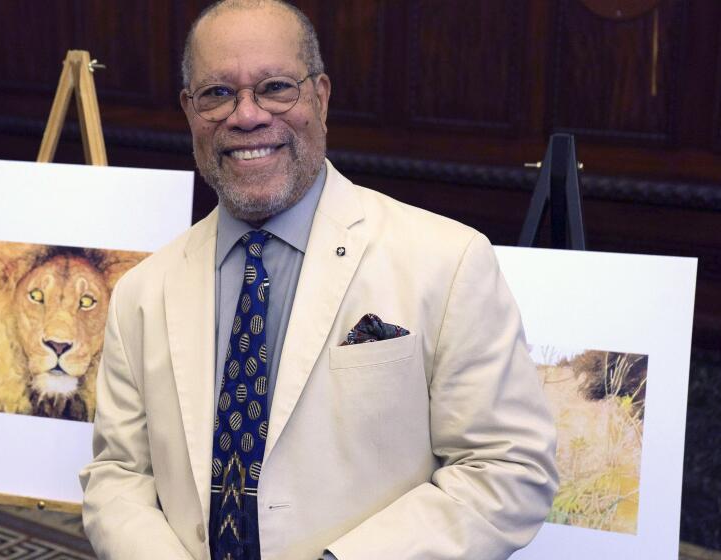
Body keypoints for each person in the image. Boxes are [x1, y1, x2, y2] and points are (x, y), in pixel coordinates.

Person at [79, 1, 558, 559]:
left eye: (276, 86)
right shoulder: (143, 291)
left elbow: (508, 467)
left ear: (321, 98)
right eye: (217, 94)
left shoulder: (446, 261)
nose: (247, 115)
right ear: (190, 111)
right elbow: (118, 475)